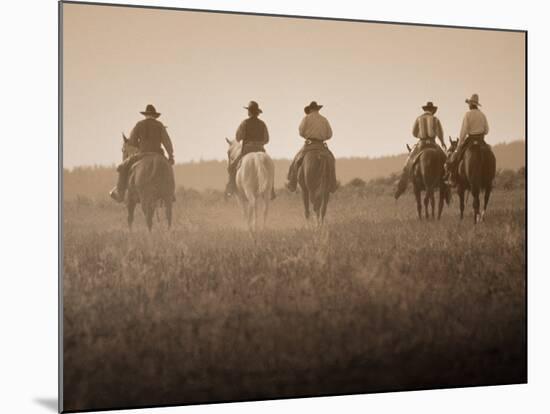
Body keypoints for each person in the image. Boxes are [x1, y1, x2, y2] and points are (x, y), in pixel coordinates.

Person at [109, 104, 175, 202]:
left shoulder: (139, 125)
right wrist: (170, 155)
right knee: (168, 168)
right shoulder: (160, 125)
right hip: (158, 154)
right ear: (154, 115)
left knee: (122, 168)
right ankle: (170, 193)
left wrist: (142, 143)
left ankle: (120, 193)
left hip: (142, 155)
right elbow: (167, 142)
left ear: (146, 115)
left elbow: (132, 142)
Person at [394, 101, 447, 199]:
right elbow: (440, 133)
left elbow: (414, 133)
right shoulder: (435, 119)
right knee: (446, 161)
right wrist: (443, 142)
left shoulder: (418, 119)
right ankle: (447, 179)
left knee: (408, 163)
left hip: (421, 144)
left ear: (425, 109)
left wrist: (421, 136)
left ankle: (402, 186)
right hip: (432, 143)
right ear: (433, 111)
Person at [226, 101, 275, 199]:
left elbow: (238, 137)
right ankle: (271, 191)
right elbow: (267, 139)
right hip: (261, 150)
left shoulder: (245, 123)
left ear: (249, 112)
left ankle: (231, 188)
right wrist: (259, 143)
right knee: (269, 167)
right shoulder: (262, 124)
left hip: (247, 150)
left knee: (231, 167)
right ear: (257, 112)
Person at [286, 101, 336, 192]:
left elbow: (301, 132)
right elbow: (329, 134)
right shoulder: (324, 119)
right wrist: (322, 136)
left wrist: (307, 135)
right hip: (321, 145)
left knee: (296, 160)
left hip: (309, 145)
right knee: (331, 159)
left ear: (310, 109)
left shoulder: (306, 118)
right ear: (317, 109)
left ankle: (292, 183)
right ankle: (333, 184)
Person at [446, 93, 489, 185]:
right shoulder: (483, 115)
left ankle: (452, 178)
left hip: (471, 140)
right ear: (476, 105)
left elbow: (463, 131)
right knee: (489, 153)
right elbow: (486, 131)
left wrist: (459, 145)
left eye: (469, 104)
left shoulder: (467, 115)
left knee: (456, 157)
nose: (468, 105)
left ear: (470, 104)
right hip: (481, 140)